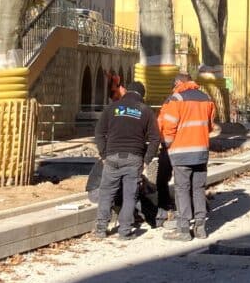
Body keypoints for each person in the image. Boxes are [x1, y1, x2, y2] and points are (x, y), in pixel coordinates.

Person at [93, 80, 160, 240]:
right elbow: (155, 139)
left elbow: (99, 133)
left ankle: (101, 229)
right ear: (142, 95)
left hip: (112, 157)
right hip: (134, 158)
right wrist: (147, 160)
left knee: (106, 193)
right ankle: (124, 231)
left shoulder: (112, 108)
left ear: (126, 92)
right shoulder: (146, 111)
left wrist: (104, 154)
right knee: (130, 195)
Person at [158, 71, 220, 241]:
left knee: (182, 189)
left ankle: (184, 229)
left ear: (178, 83)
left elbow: (168, 127)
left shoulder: (176, 99)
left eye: (174, 85)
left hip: (182, 152)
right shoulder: (206, 99)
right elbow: (209, 126)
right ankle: (200, 227)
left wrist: (168, 145)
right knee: (198, 189)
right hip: (201, 151)